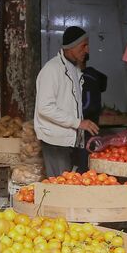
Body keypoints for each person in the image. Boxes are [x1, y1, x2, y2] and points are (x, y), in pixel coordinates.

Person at [35, 26, 99, 176]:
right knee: (59, 187)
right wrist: (78, 123)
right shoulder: (52, 70)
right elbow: (45, 107)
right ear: (71, 47)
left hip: (68, 140)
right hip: (55, 141)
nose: (87, 50)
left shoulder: (74, 69)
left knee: (67, 184)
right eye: (84, 46)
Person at [74, 61, 108, 171]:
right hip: (88, 126)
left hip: (87, 127)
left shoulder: (87, 79)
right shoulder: (92, 77)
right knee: (85, 158)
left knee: (84, 161)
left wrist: (72, 117)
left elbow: (88, 105)